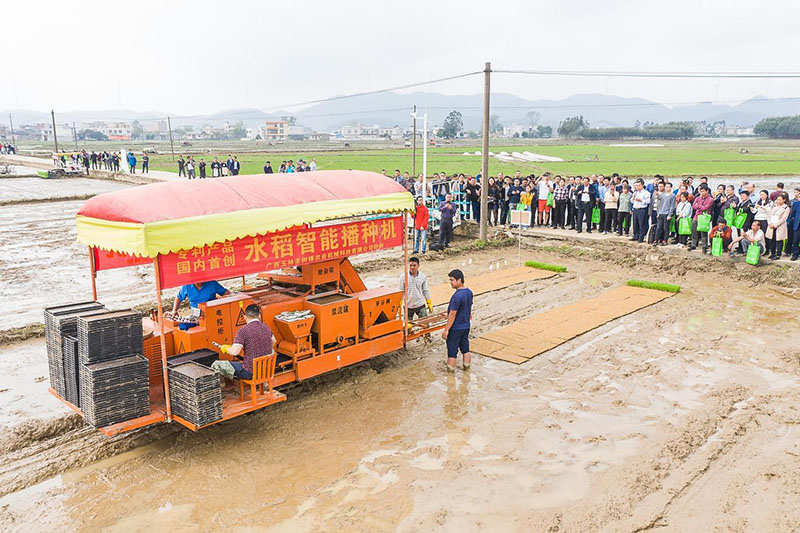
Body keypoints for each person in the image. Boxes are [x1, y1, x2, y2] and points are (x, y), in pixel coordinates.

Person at [219, 304, 276, 380]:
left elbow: (234, 352)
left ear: (245, 317)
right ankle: (264, 384)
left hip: (250, 373)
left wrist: (226, 348)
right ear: (259, 316)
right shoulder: (266, 327)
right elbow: (274, 341)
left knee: (217, 364)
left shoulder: (243, 331)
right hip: (266, 371)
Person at [442, 269, 473, 372]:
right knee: (465, 349)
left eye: (452, 280)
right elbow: (468, 307)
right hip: (466, 326)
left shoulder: (457, 296)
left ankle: (450, 375)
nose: (451, 282)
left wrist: (446, 330)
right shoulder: (469, 292)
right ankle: (466, 368)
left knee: (452, 352)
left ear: (459, 280)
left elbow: (452, 313)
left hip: (455, 328)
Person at [689, 185, 714, 253]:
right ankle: (693, 245)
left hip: (704, 217)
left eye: (703, 191)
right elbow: (694, 205)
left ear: (707, 191)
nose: (701, 193)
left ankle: (704, 246)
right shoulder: (697, 198)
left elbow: (705, 208)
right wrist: (700, 206)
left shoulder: (710, 199)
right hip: (696, 216)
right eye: (700, 191)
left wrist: (698, 206)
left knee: (703, 232)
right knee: (694, 231)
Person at [765, 193, 790, 260]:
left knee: (779, 240)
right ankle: (772, 253)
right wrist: (769, 223)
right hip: (771, 225)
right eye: (777, 199)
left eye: (780, 200)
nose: (778, 201)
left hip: (779, 226)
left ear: (784, 200)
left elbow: (783, 218)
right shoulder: (774, 206)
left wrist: (775, 225)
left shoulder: (786, 208)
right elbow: (769, 215)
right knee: (772, 239)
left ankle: (778, 254)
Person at [789, 188, 800, 261]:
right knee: (795, 240)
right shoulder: (796, 203)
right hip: (797, 224)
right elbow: (792, 214)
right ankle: (795, 254)